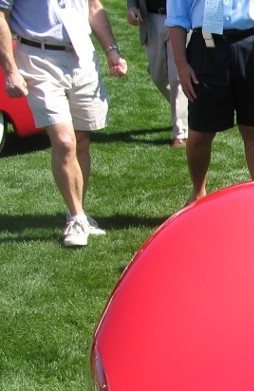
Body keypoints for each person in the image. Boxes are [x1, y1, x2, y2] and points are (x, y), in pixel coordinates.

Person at [0, 0, 128, 248]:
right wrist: (10, 69)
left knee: (81, 140)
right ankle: (77, 217)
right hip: (39, 58)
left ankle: (79, 212)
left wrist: (112, 50)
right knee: (64, 141)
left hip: (82, 57)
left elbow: (93, 7)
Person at [166, 0, 254, 203]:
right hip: (206, 49)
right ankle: (198, 194)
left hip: (253, 45)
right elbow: (177, 18)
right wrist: (181, 65)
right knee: (200, 132)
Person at [127, 0, 188, 147]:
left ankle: (180, 133)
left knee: (176, 77)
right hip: (151, 18)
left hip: (179, 16)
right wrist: (132, 7)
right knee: (158, 76)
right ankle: (189, 110)